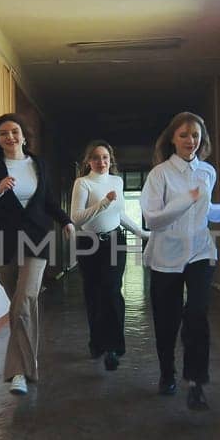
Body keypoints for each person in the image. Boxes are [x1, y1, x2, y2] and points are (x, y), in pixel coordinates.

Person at [141, 112, 220, 410]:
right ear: (172, 138)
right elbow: (152, 219)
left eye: (196, 135)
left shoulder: (207, 172)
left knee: (197, 313)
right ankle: (167, 372)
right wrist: (187, 199)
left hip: (200, 250)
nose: (190, 140)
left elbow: (204, 209)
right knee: (167, 319)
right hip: (166, 255)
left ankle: (196, 382)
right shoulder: (159, 174)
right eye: (184, 135)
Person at [0, 114, 74, 395]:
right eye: (3, 133)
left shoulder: (37, 164)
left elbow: (49, 200)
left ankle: (19, 373)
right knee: (21, 306)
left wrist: (66, 221)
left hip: (37, 239)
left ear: (24, 136)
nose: (10, 137)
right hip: (4, 242)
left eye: (14, 131)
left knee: (25, 299)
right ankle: (29, 358)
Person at [69, 140, 148, 370]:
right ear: (88, 162)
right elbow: (76, 218)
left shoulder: (116, 181)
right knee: (93, 294)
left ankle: (113, 347)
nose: (101, 162)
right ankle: (96, 341)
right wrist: (103, 203)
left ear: (110, 160)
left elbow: (120, 214)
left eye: (105, 157)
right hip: (88, 244)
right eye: (95, 158)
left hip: (114, 241)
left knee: (112, 290)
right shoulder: (82, 183)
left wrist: (141, 232)